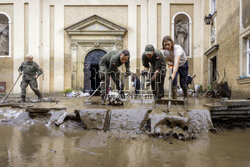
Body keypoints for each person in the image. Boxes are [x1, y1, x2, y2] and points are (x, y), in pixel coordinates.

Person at [162, 35, 189, 100]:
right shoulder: (164, 51)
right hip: (174, 65)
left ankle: (185, 95)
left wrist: (173, 74)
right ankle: (174, 99)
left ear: (171, 43)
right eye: (165, 45)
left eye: (168, 44)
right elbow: (167, 58)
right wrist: (168, 62)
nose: (167, 46)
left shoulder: (177, 48)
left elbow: (177, 62)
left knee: (183, 83)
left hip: (183, 64)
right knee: (173, 81)